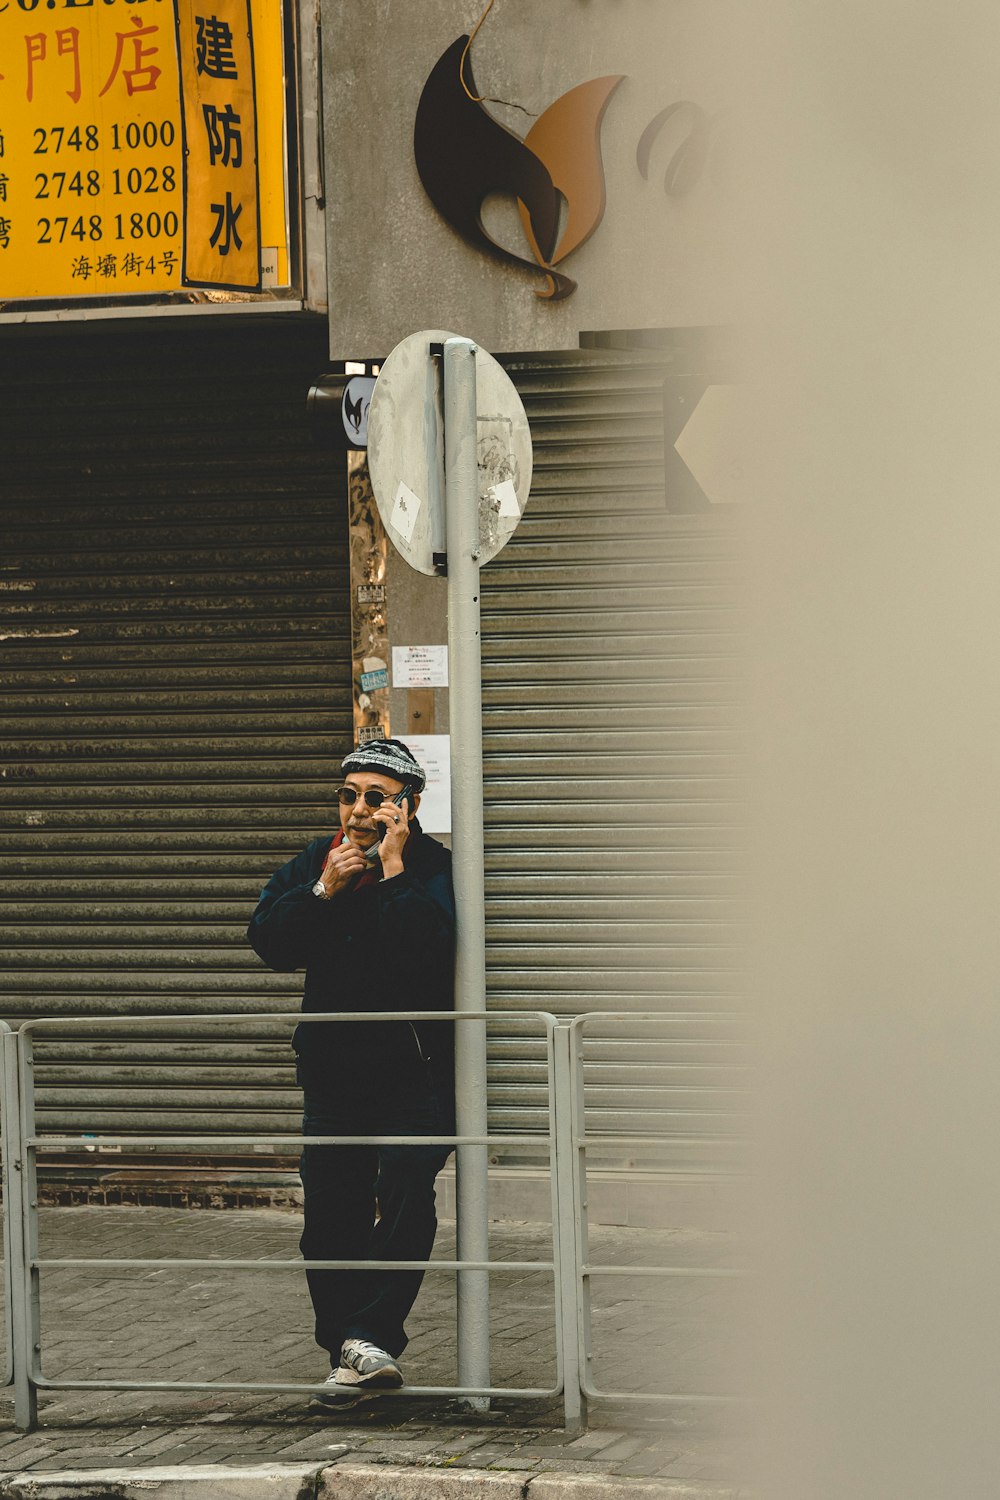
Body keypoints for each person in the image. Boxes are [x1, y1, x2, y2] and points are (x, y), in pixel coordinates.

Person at [247, 737, 455, 1407]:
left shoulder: (433, 868)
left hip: (413, 1078)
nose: (358, 810)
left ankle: (367, 1336)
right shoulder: (319, 860)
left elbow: (426, 949)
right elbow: (272, 943)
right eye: (348, 795)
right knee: (329, 1216)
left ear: (408, 805)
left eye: (375, 797)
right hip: (334, 1076)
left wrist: (392, 868)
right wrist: (322, 889)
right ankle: (351, 1351)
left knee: (403, 1194)